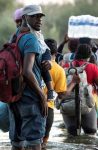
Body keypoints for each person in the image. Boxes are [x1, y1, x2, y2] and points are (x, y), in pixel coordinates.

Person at [8, 5, 50, 150]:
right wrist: (42, 96)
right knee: (34, 144)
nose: (39, 20)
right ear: (25, 18)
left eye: (40, 16)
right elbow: (27, 71)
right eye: (34, 16)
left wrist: (44, 64)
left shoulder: (15, 36)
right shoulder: (31, 39)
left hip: (14, 98)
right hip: (31, 98)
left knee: (17, 143)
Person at [62, 44, 98, 136]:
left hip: (68, 102)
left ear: (76, 54)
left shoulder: (65, 66)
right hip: (87, 103)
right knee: (90, 133)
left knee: (72, 134)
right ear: (89, 56)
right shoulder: (92, 67)